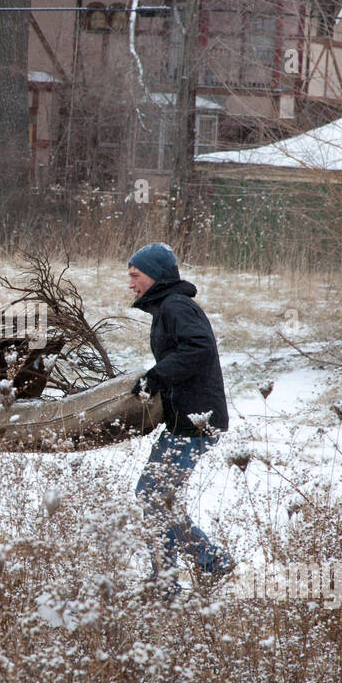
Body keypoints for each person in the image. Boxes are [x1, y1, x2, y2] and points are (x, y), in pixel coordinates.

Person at [127, 242, 234, 600]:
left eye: (135, 276)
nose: (131, 285)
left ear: (155, 276)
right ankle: (174, 578)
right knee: (155, 496)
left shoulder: (175, 306)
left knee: (153, 496)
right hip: (183, 421)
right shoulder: (168, 309)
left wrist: (156, 377)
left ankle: (206, 564)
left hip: (196, 423)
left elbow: (198, 347)